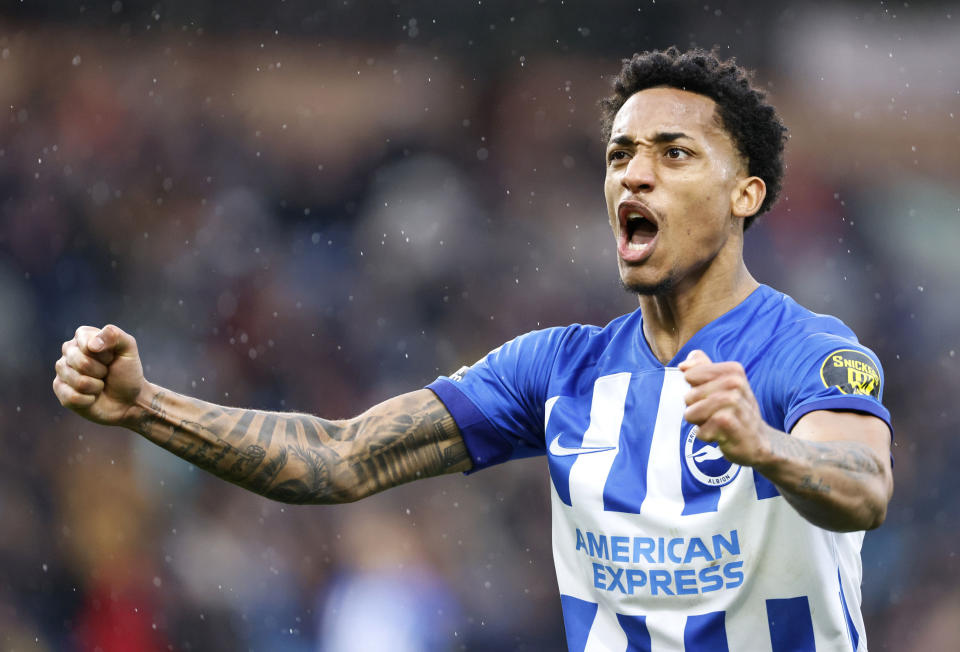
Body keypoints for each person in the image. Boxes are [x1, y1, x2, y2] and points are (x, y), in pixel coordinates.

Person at [53, 47, 892, 651]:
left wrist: (767, 448)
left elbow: (862, 485)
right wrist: (144, 407)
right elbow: (342, 459)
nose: (634, 175)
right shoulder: (558, 370)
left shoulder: (808, 351)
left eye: (673, 154)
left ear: (746, 193)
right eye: (620, 155)